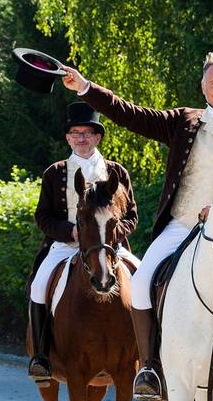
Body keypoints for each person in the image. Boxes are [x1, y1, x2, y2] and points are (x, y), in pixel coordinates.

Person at [59, 50, 213, 401]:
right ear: (203, 86)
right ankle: (150, 367)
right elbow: (130, 114)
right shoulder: (184, 122)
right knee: (142, 280)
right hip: (182, 225)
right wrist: (86, 88)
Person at [27, 102, 140, 379]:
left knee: (147, 282)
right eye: (75, 133)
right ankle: (41, 356)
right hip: (65, 247)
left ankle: (152, 358)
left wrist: (111, 235)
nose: (81, 138)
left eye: (87, 133)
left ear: (97, 137)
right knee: (39, 287)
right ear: (67, 137)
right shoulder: (55, 173)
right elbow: (42, 216)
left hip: (111, 248)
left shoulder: (117, 172)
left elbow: (132, 216)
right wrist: (70, 232)